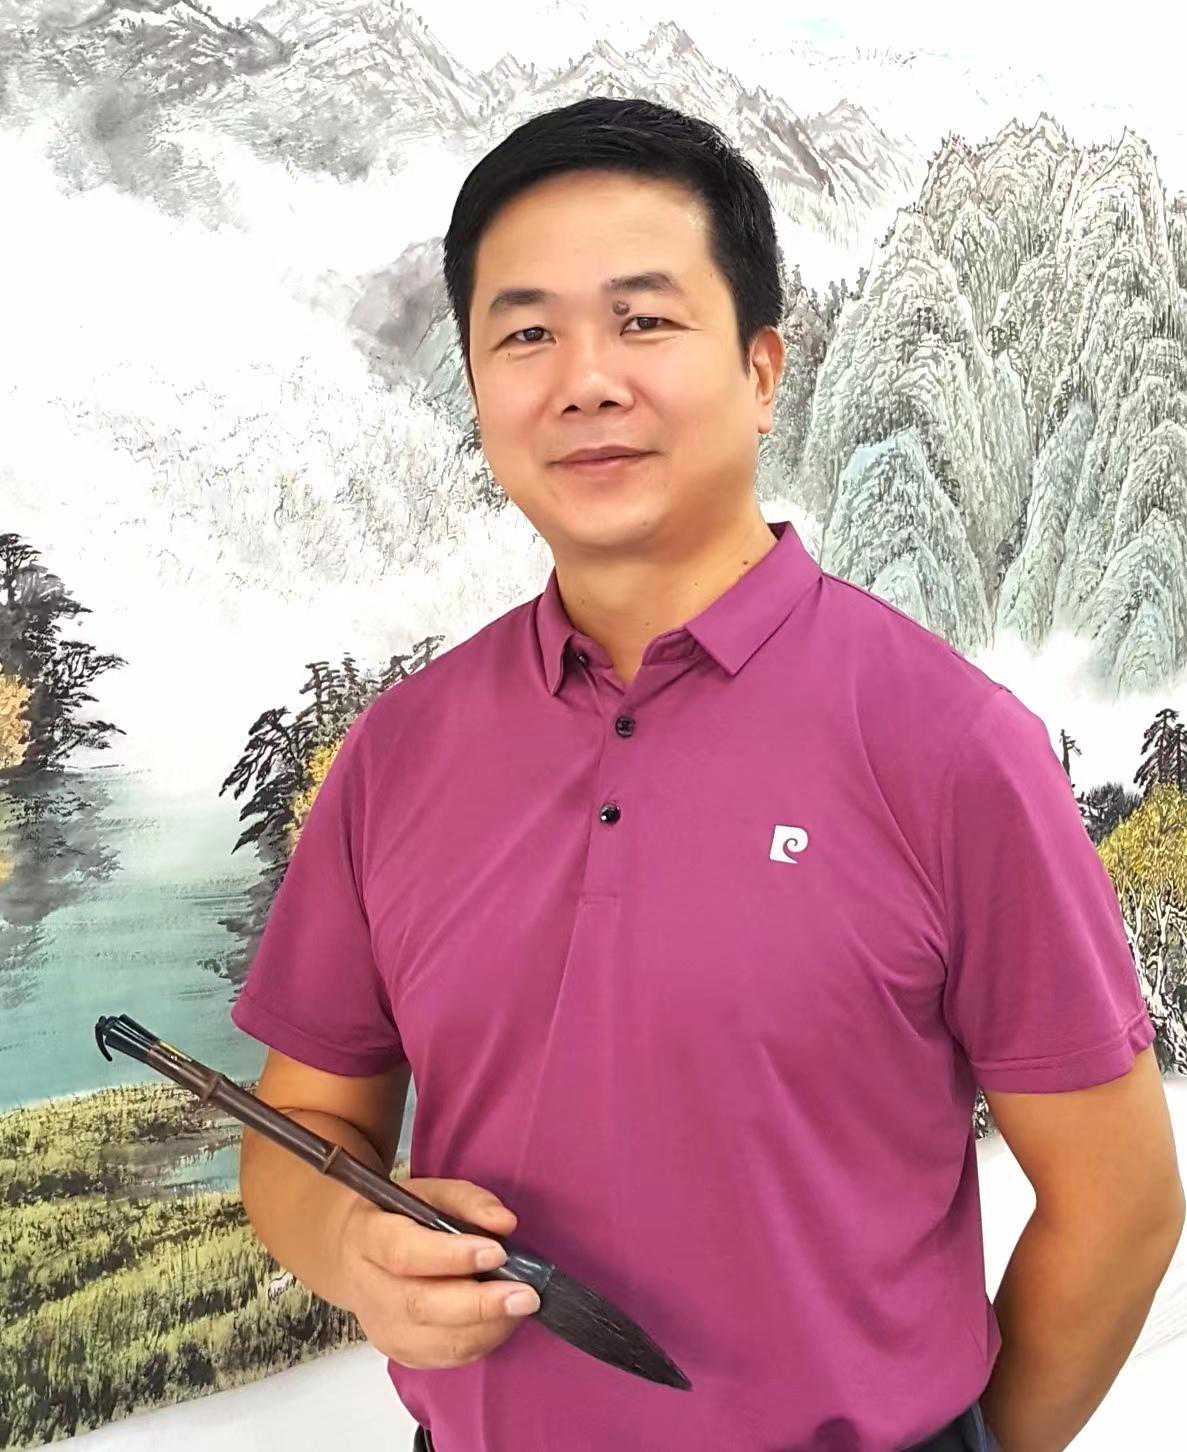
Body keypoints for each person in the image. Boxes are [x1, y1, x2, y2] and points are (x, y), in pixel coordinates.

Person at [231, 97, 1182, 1452]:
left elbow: (1120, 1205)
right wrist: (345, 1241)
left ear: (762, 368)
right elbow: (304, 1120)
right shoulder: (402, 752)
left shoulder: (948, 744)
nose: (585, 381)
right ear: (479, 388)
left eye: (644, 320)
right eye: (525, 335)